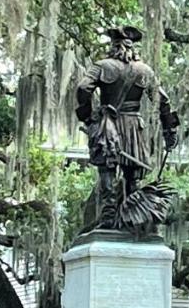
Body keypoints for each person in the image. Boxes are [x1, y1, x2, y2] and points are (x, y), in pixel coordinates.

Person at [75, 25, 179, 230]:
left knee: (107, 172)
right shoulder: (145, 70)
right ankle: (133, 219)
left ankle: (108, 217)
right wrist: (170, 131)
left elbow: (82, 88)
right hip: (133, 127)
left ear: (114, 46)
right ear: (132, 48)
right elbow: (163, 101)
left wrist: (88, 116)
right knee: (133, 177)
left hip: (108, 125)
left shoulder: (102, 66)